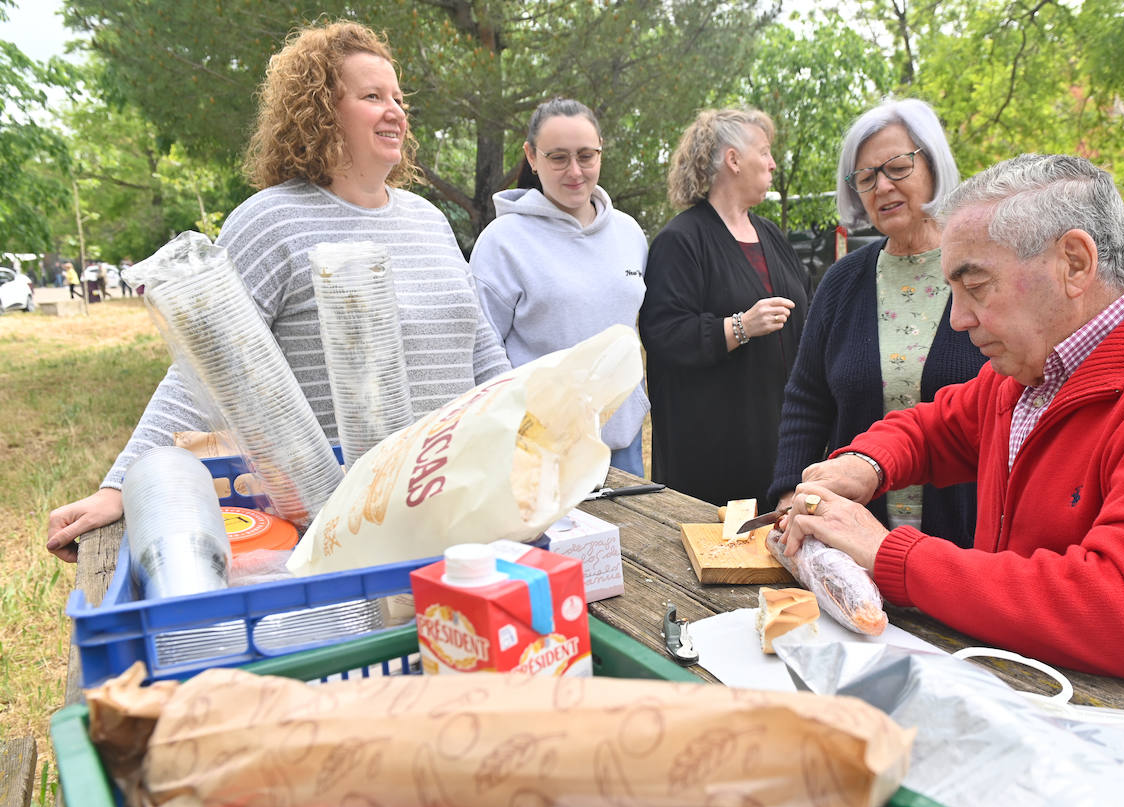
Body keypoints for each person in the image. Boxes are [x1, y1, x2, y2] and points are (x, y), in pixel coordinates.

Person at [780, 153, 1124, 694]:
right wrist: (866, 463)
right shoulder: (1037, 366)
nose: (959, 318)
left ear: (1074, 262)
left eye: (975, 286)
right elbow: (937, 426)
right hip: (1044, 693)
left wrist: (892, 556)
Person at [46, 20, 511, 561]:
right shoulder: (273, 221)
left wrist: (521, 432)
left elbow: (480, 347)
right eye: (372, 96)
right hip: (345, 522)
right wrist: (120, 484)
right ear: (320, 110)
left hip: (458, 502)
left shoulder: (429, 221)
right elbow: (204, 366)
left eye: (399, 98)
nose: (396, 112)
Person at [768, 99, 985, 547]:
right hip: (853, 545)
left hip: (969, 546)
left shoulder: (982, 268)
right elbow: (807, 400)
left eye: (897, 167)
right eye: (865, 178)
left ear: (933, 164)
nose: (882, 186)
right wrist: (790, 490)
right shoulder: (842, 281)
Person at [639, 108, 810, 507]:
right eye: (764, 152)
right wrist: (741, 326)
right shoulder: (681, 240)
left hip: (780, 443)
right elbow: (663, 333)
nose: (772, 163)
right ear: (733, 160)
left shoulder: (770, 234)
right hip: (714, 453)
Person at [469, 97, 650, 475]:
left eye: (586, 155)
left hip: (622, 447)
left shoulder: (630, 234)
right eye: (557, 157)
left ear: (601, 150)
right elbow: (481, 351)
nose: (575, 171)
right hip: (539, 455)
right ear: (531, 157)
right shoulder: (502, 243)